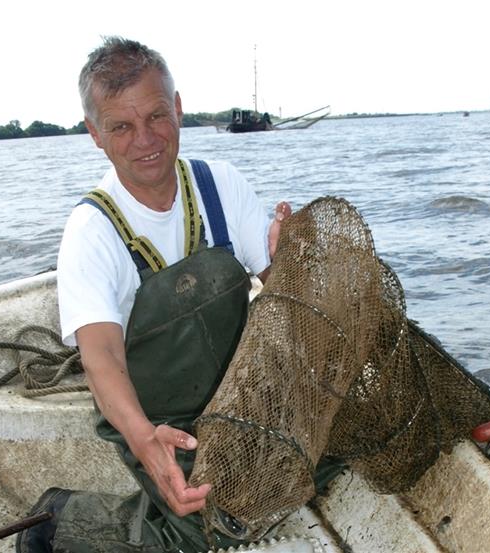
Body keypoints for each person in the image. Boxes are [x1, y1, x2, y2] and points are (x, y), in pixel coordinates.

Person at [19, 37, 291, 553]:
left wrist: (289, 261)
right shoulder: (92, 230)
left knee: (323, 459)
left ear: (179, 109)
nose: (145, 139)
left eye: (156, 116)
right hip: (153, 414)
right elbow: (99, 357)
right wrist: (146, 440)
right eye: (121, 126)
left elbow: (277, 287)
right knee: (212, 523)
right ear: (95, 134)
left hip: (235, 389)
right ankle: (59, 519)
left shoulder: (220, 186)